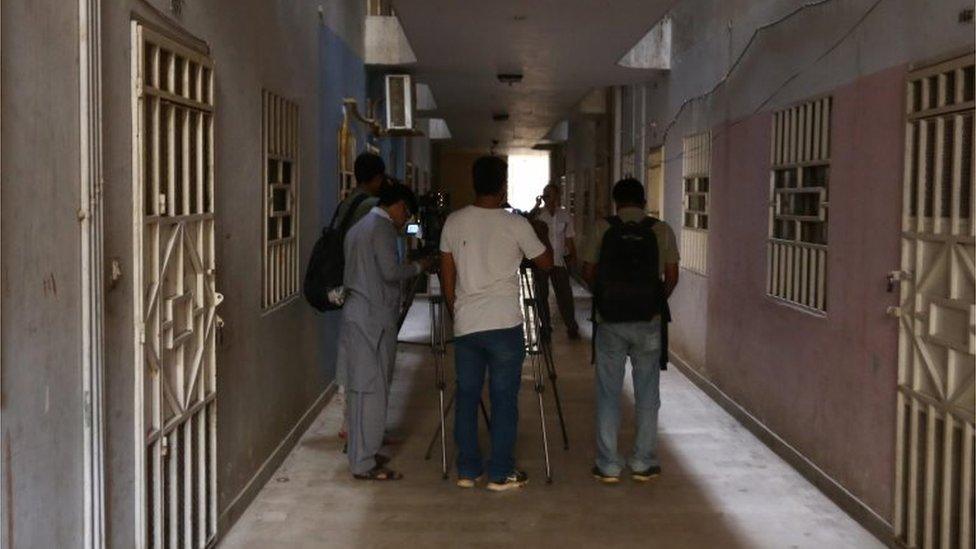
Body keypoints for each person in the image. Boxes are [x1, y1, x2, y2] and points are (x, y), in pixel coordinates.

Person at [439, 156, 553, 491]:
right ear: (503, 185)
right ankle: (500, 472)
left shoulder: (454, 222)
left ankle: (467, 470)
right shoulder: (515, 224)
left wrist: (457, 311)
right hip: (504, 324)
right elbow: (545, 262)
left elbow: (448, 278)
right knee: (504, 400)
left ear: (474, 182)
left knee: (468, 396)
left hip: (467, 325)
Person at [580, 178, 679, 484]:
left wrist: (607, 298)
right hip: (647, 321)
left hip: (610, 322)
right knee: (647, 392)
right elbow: (672, 276)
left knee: (609, 392)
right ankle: (643, 461)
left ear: (616, 202)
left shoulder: (603, 228)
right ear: (644, 201)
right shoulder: (660, 229)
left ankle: (609, 464)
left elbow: (587, 272)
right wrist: (653, 303)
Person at [337, 183, 432, 480]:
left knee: (360, 388)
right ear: (399, 205)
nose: (406, 221)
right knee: (373, 390)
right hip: (373, 319)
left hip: (358, 314)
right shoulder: (381, 229)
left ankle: (362, 450)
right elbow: (391, 273)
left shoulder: (358, 228)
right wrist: (419, 267)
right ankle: (364, 463)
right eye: (407, 213)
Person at [336, 152, 387, 443]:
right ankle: (359, 428)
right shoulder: (370, 209)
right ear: (377, 178)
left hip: (348, 287)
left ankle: (353, 424)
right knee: (366, 368)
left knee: (350, 359)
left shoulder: (347, 202)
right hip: (363, 291)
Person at [529, 183, 581, 339]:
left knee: (565, 294)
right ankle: (545, 326)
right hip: (541, 260)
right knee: (541, 294)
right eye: (545, 193)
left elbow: (569, 238)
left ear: (557, 196)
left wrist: (573, 257)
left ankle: (571, 326)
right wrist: (536, 206)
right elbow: (527, 223)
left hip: (559, 261)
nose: (546, 196)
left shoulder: (565, 215)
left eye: (549, 193)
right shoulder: (538, 214)